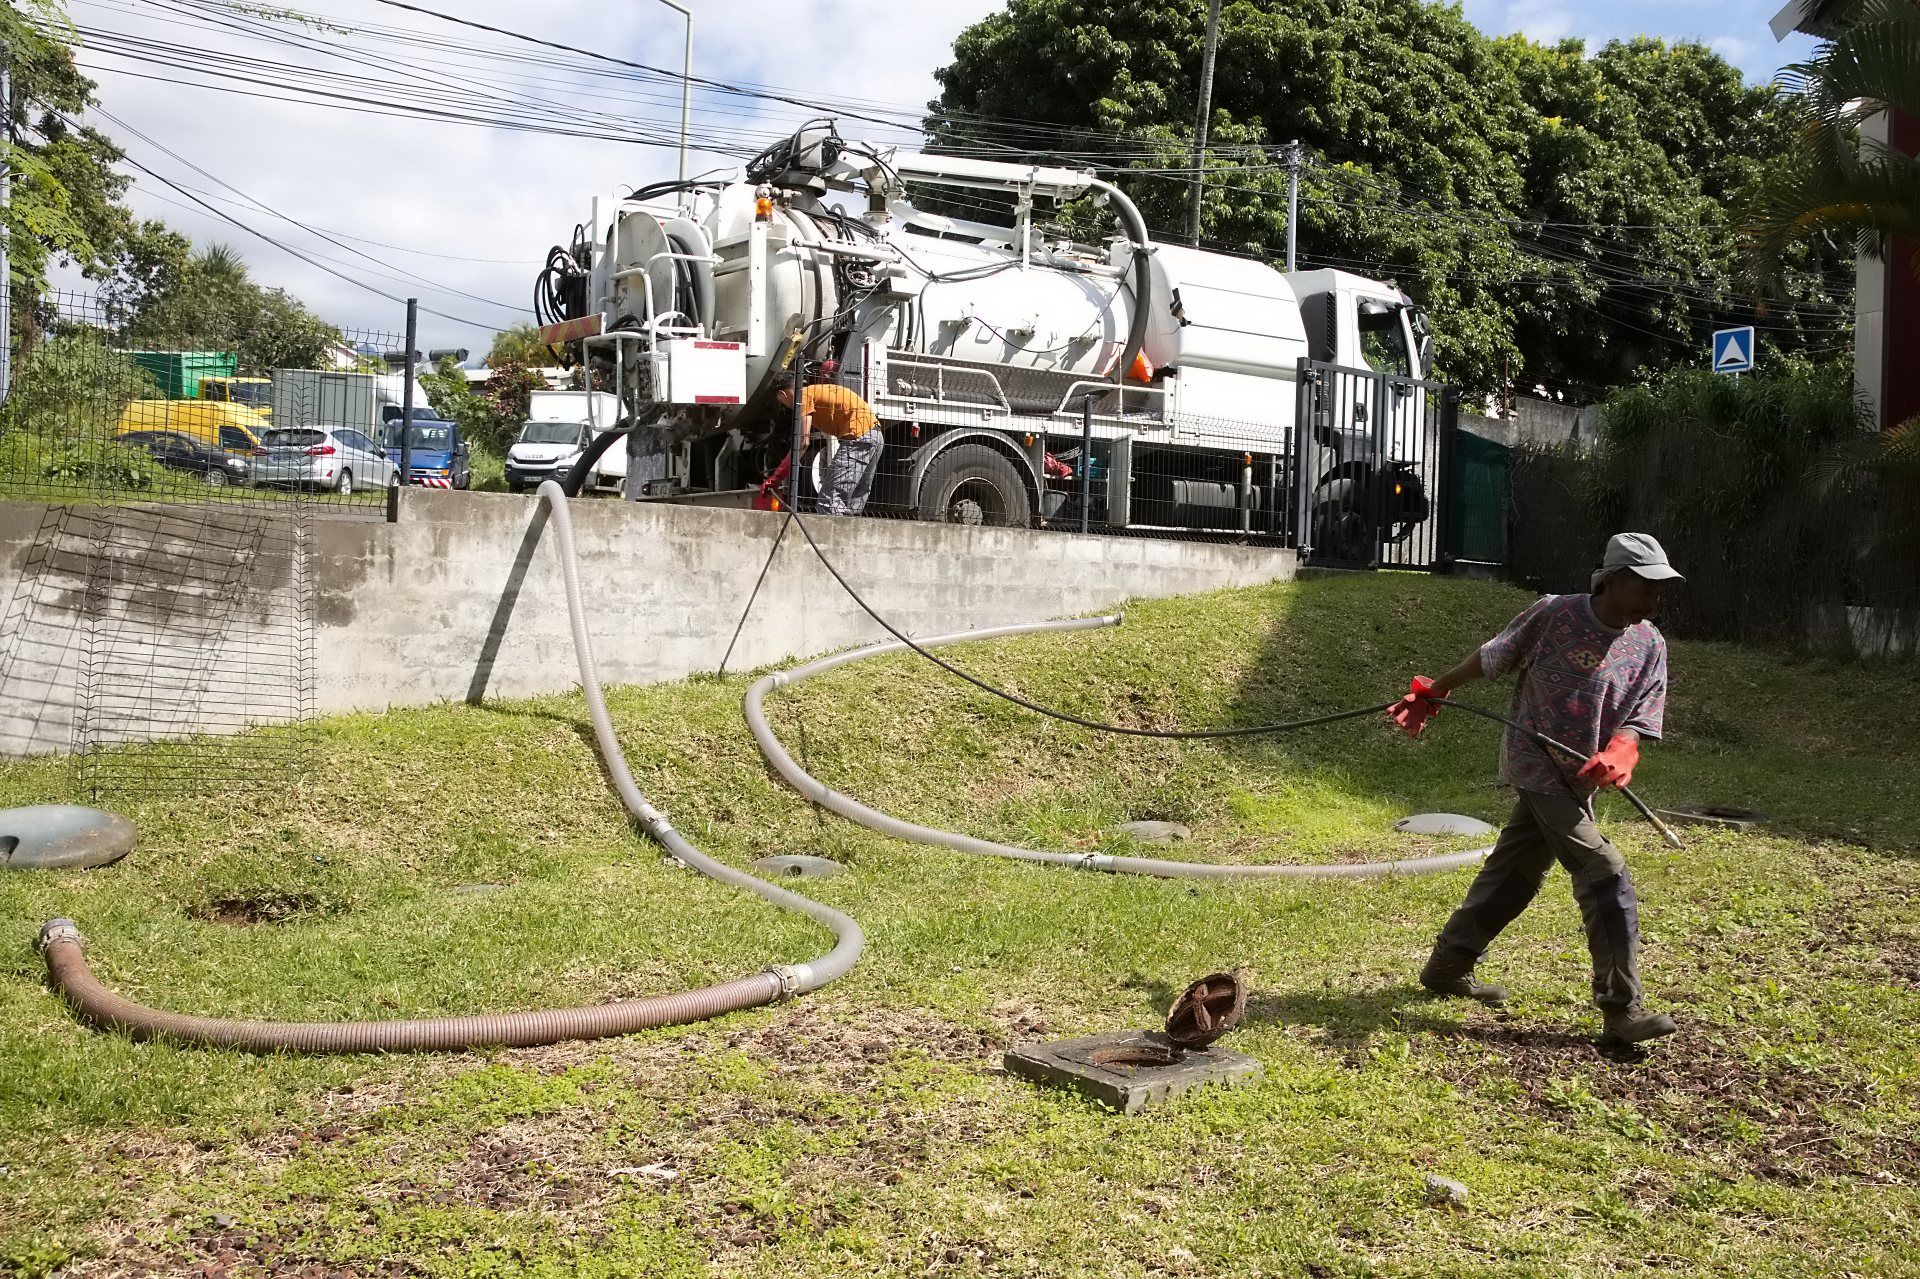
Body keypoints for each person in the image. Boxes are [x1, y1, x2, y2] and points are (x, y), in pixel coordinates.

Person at [1390, 532, 1683, 1045]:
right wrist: (1435, 691)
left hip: (1581, 778)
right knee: (1602, 868)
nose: (1655, 601)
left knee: (1517, 872)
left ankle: (1447, 964)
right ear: (1613, 581)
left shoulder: (1650, 644)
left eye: (1661, 591)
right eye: (1646, 588)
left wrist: (1619, 752)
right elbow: (1493, 657)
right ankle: (1621, 1010)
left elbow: (1638, 717)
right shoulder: (1554, 614)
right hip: (1536, 764)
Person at [773, 369, 885, 516]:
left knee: (829, 501)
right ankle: (847, 533)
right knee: (855, 501)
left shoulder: (803, 396)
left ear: (783, 394)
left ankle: (831, 537)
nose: (783, 404)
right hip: (875, 435)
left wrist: (778, 474)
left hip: (858, 437)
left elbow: (803, 442)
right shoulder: (816, 390)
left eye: (780, 400)